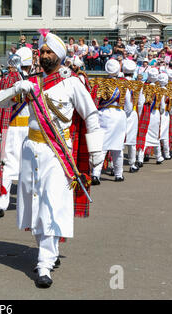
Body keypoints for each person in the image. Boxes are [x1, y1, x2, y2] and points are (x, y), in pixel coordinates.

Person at [17, 32, 103, 288]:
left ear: (60, 56)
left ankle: (44, 263)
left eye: (49, 52)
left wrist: (96, 151)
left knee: (51, 203)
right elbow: (0, 105)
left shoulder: (72, 83)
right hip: (30, 148)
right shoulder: (32, 82)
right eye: (42, 52)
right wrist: (15, 88)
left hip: (57, 151)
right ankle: (48, 252)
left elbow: (91, 115)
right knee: (33, 202)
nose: (44, 56)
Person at [0, 47, 32, 219]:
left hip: (10, 128)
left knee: (6, 166)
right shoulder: (33, 82)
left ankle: (1, 203)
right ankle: (28, 203)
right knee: (29, 167)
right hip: (29, 130)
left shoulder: (6, 80)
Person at [91, 59, 129, 184]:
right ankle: (119, 174)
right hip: (119, 114)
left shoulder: (100, 83)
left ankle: (96, 174)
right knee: (118, 147)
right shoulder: (123, 84)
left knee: (101, 146)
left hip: (104, 114)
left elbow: (95, 101)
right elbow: (128, 105)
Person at [136, 68, 160, 167]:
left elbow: (141, 102)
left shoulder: (143, 86)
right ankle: (159, 156)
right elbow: (162, 106)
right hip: (156, 113)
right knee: (155, 135)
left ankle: (140, 158)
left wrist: (140, 114)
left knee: (143, 135)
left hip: (146, 112)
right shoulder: (160, 87)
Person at [122, 59, 140, 173]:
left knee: (119, 140)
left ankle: (114, 167)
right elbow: (141, 103)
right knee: (132, 141)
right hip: (132, 113)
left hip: (120, 112)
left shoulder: (119, 83)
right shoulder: (137, 85)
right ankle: (132, 163)